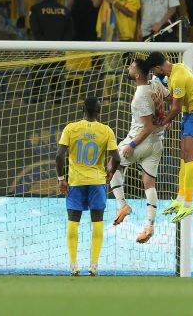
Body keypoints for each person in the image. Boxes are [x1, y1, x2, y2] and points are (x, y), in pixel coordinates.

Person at [56, 97, 119, 276]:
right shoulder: (106, 131)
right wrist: (110, 172)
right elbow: (117, 158)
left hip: (76, 182)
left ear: (82, 109)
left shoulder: (71, 128)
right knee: (97, 222)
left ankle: (74, 265)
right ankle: (94, 265)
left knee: (73, 222)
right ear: (100, 111)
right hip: (97, 182)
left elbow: (59, 156)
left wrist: (61, 178)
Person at [110, 56, 169, 243]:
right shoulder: (156, 85)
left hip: (140, 140)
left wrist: (132, 145)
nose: (128, 68)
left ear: (137, 74)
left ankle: (122, 205)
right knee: (149, 184)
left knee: (113, 165)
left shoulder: (139, 96)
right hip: (157, 143)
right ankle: (150, 225)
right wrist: (166, 118)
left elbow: (148, 126)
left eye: (131, 66)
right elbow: (171, 97)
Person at [150, 52, 193, 224]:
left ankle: (189, 204)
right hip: (189, 114)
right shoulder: (177, 69)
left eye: (153, 71)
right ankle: (180, 198)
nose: (154, 74)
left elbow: (175, 108)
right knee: (184, 157)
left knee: (190, 158)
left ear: (158, 67)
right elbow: (177, 102)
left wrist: (163, 122)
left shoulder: (177, 77)